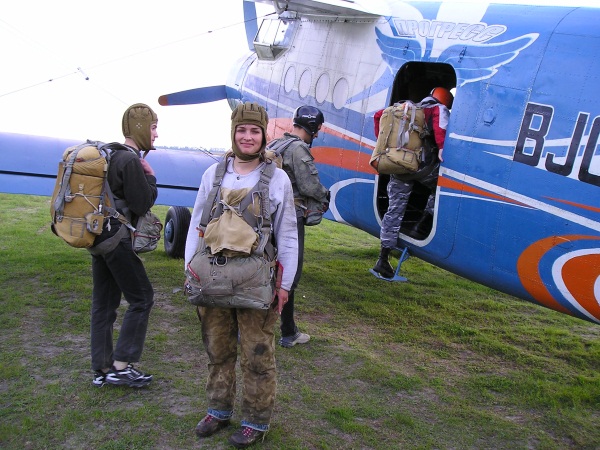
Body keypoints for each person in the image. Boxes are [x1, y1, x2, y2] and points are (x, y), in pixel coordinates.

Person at [184, 102, 298, 448]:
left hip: (255, 282)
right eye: (241, 130)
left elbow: (288, 233)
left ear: (264, 135)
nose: (247, 137)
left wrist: (286, 284)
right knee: (217, 349)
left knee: (257, 354)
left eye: (255, 130)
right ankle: (218, 410)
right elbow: (197, 225)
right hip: (213, 276)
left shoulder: (277, 179)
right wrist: (190, 266)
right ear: (233, 132)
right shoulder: (213, 175)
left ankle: (255, 420)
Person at [90, 103, 159, 387]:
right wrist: (151, 176)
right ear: (141, 128)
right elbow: (143, 203)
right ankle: (121, 366)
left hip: (98, 237)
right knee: (142, 298)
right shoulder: (130, 161)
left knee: (104, 305)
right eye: (153, 127)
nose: (156, 134)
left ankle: (102, 369)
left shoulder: (109, 154)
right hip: (117, 240)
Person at [372, 87, 453, 278]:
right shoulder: (438, 109)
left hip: (399, 166)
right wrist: (441, 149)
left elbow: (378, 117)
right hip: (421, 167)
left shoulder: (403, 107)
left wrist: (387, 147)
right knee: (439, 189)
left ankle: (383, 258)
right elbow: (441, 129)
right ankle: (422, 223)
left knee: (395, 209)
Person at [267, 105, 329, 348]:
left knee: (268, 268)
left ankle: (260, 325)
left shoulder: (275, 144)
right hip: (290, 218)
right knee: (289, 272)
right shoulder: (298, 148)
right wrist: (325, 194)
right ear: (313, 127)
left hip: (269, 215)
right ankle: (288, 332)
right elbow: (310, 186)